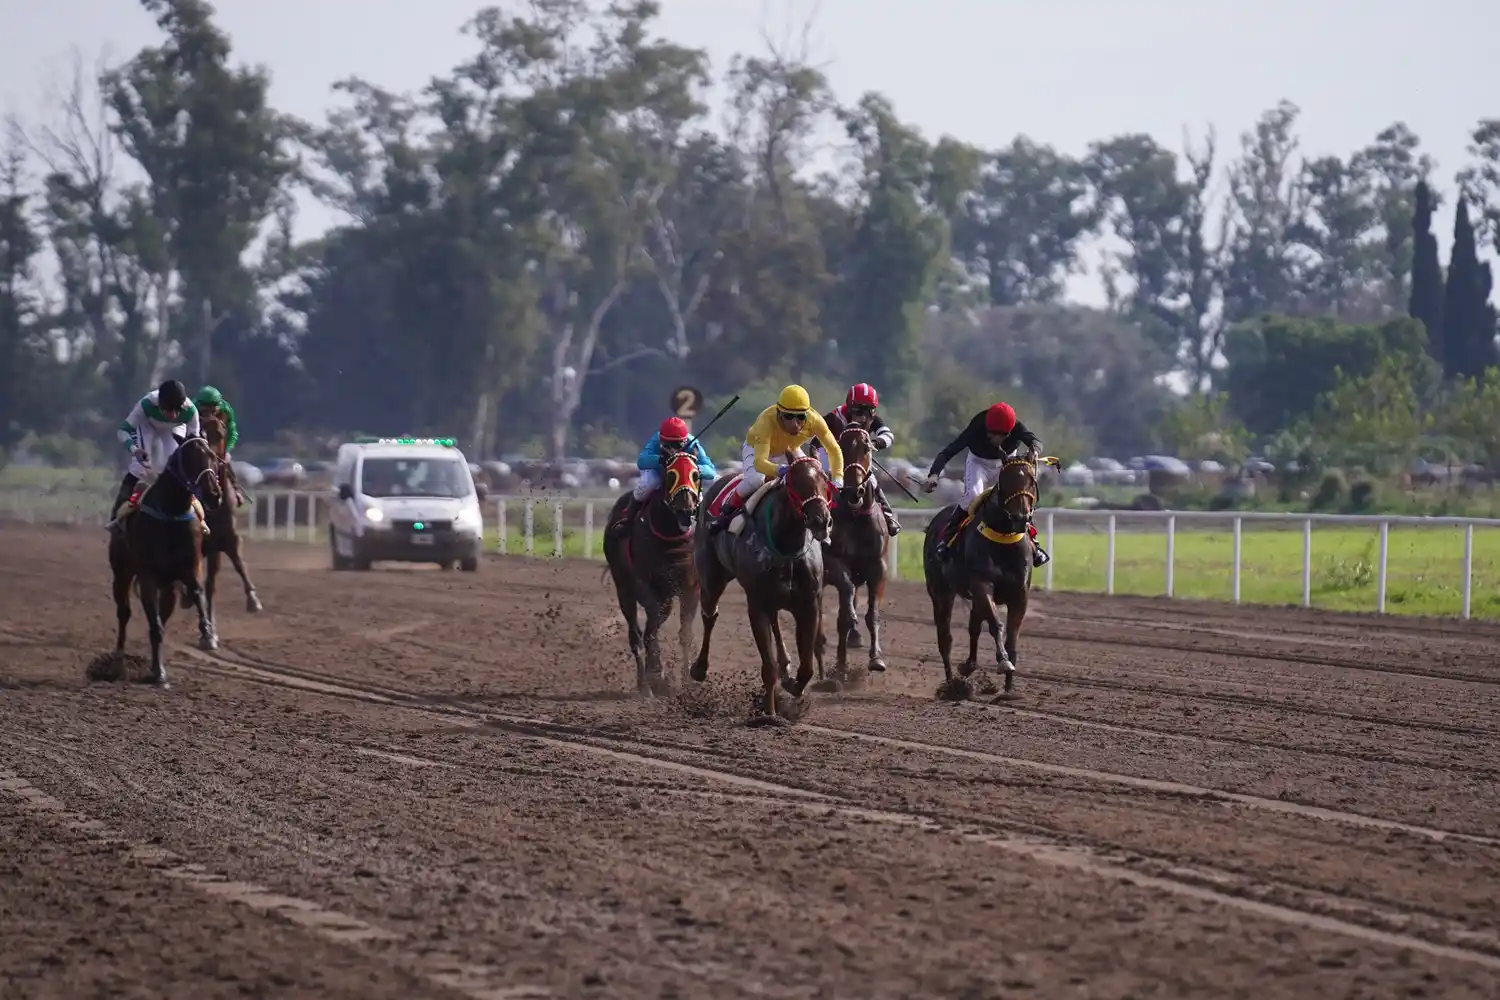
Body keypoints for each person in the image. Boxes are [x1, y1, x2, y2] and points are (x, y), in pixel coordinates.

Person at [921, 402, 1050, 566]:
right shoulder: (977, 426)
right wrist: (933, 475)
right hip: (978, 464)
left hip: (1006, 464)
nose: (995, 438)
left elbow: (1036, 442)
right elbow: (949, 451)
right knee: (972, 496)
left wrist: (1034, 450)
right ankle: (946, 540)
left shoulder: (1017, 427)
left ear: (1009, 432)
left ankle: (1034, 545)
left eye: (1000, 435)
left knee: (1018, 501)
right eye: (991, 433)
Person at [708, 384, 842, 535]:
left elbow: (834, 450)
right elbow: (760, 463)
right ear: (779, 413)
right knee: (755, 481)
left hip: (789, 449)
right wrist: (779, 470)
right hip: (757, 449)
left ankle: (823, 519)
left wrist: (838, 478)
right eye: (788, 416)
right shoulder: (765, 422)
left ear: (808, 414)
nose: (795, 424)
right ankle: (726, 514)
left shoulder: (815, 420)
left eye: (800, 417)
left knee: (810, 478)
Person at [809, 382, 901, 536]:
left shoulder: (872, 419)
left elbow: (888, 436)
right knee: (831, 479)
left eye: (868, 411)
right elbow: (813, 442)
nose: (863, 417)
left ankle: (887, 515)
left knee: (870, 479)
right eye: (858, 411)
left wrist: (873, 443)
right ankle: (820, 518)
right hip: (830, 454)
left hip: (854, 456)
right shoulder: (833, 418)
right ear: (849, 408)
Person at [108, 379, 200, 527]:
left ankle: (196, 513)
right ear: (160, 403)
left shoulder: (190, 410)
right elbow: (123, 430)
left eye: (177, 409)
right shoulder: (147, 404)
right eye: (169, 409)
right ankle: (116, 514)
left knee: (177, 466)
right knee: (140, 467)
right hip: (148, 426)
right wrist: (135, 450)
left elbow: (194, 445)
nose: (173, 414)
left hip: (174, 429)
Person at [611, 416, 718, 537]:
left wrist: (694, 468)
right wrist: (660, 460)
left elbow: (711, 471)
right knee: (648, 483)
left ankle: (705, 528)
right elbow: (642, 461)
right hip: (658, 470)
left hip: (684, 475)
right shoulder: (655, 439)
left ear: (684, 441)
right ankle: (628, 519)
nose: (673, 448)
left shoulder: (693, 442)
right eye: (668, 444)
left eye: (677, 444)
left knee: (698, 496)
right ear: (661, 440)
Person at [194, 385, 246, 505]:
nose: (209, 414)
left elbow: (232, 432)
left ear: (218, 405)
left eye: (213, 410)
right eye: (205, 411)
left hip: (217, 444)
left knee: (226, 460)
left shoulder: (226, 409)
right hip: (199, 443)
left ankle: (236, 489)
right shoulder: (192, 407)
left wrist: (227, 450)